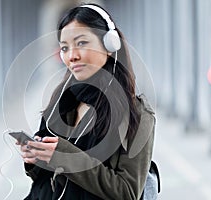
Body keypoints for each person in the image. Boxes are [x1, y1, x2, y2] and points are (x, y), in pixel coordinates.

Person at [18, 3, 157, 200]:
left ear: (110, 45)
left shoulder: (137, 113)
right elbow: (47, 180)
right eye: (65, 48)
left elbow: (127, 192)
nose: (72, 56)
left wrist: (64, 156)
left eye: (81, 43)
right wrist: (37, 157)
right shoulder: (61, 102)